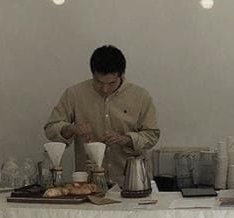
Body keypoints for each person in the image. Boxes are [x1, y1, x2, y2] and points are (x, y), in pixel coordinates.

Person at [44, 45, 160, 183]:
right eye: (99, 82)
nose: (105, 89)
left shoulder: (140, 96)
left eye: (111, 83)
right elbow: (50, 129)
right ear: (92, 73)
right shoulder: (75, 94)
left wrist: (127, 139)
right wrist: (70, 129)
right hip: (89, 183)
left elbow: (152, 135)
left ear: (122, 75)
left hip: (131, 181)